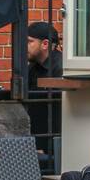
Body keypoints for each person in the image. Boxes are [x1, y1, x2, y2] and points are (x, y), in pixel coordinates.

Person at [26, 21, 63, 162]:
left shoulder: (60, 67)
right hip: (38, 140)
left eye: (30, 42)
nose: (25, 46)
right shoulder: (32, 68)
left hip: (56, 141)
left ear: (45, 44)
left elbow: (58, 110)